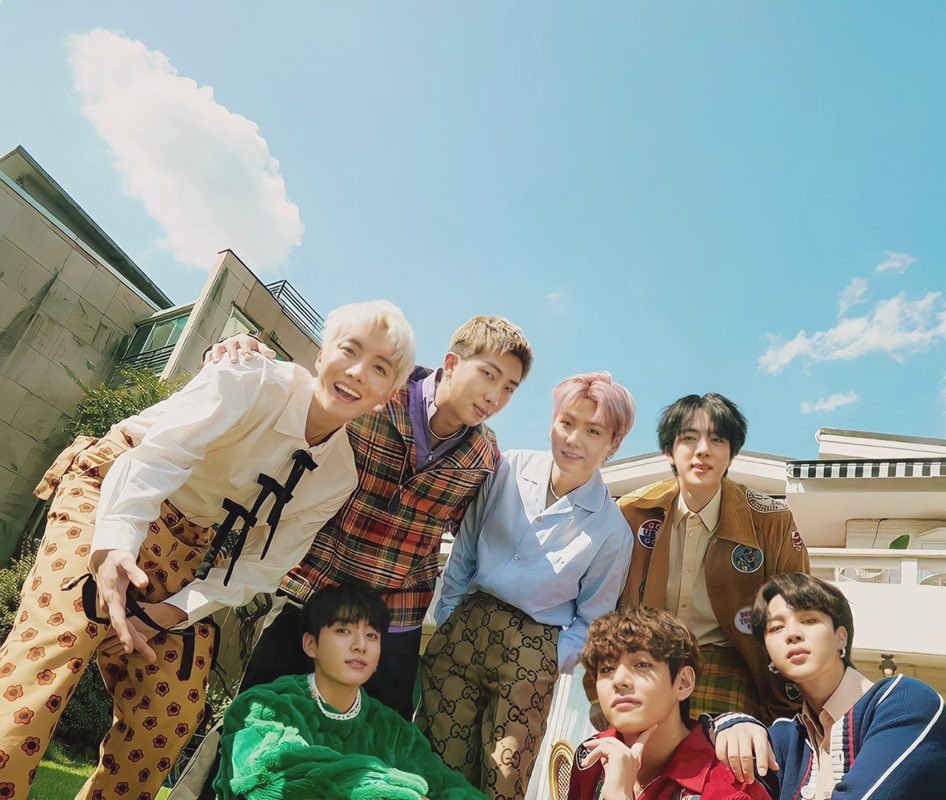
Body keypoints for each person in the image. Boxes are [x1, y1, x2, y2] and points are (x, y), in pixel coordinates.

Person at [0, 300, 415, 800]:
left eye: (379, 368)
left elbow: (264, 565)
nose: (357, 372)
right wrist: (112, 547)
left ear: (386, 396)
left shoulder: (338, 476)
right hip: (115, 491)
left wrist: (170, 612)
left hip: (191, 549)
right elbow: (156, 458)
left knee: (168, 713)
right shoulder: (250, 378)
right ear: (322, 352)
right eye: (349, 350)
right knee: (58, 645)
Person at [209, 315, 532, 718]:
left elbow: (478, 538)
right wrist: (236, 354)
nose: (495, 396)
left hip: (395, 615)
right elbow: (298, 400)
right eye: (488, 375)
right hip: (314, 588)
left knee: (376, 741)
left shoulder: (484, 458)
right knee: (258, 716)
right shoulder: (375, 393)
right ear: (451, 364)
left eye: (509, 388)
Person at [417, 372, 636, 800]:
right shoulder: (509, 468)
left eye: (593, 431)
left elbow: (593, 619)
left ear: (613, 444)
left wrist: (547, 660)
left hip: (532, 650)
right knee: (435, 765)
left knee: (504, 778)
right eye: (566, 422)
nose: (573, 439)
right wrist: (449, 617)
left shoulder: (612, 531)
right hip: (465, 627)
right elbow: (464, 549)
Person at [589, 393, 809, 726]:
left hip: (730, 663)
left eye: (717, 439)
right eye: (689, 438)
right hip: (640, 658)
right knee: (635, 757)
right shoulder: (630, 513)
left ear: (732, 452)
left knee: (724, 755)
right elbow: (598, 605)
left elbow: (797, 613)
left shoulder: (771, 521)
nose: (702, 450)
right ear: (669, 450)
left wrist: (786, 712)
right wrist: (596, 689)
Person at [214, 583, 485, 800]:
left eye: (371, 635)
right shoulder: (263, 706)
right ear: (311, 645)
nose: (360, 645)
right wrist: (395, 791)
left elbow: (447, 785)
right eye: (343, 630)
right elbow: (270, 777)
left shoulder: (392, 729)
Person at [712, 573, 946, 799]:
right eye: (776, 628)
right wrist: (730, 724)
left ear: (840, 637)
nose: (792, 634)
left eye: (809, 620)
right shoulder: (786, 740)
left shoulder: (907, 702)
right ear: (768, 655)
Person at [569, 605, 773, 800]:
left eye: (641, 665)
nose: (619, 680)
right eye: (606, 669)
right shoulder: (591, 758)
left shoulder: (729, 787)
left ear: (683, 683)